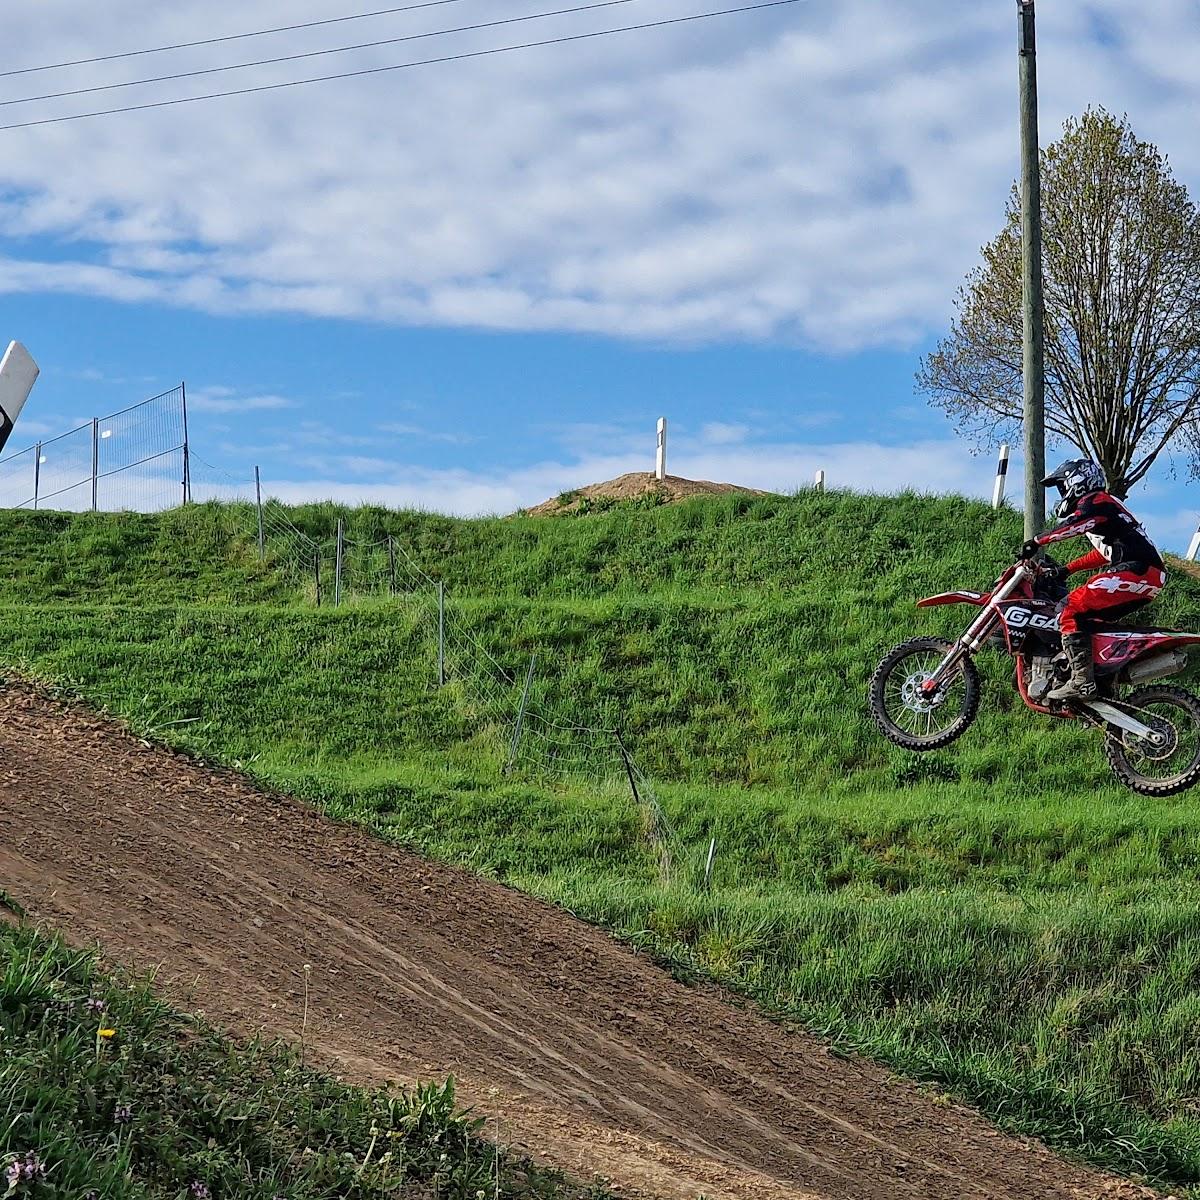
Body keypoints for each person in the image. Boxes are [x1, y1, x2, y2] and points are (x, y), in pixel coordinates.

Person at [1021, 458, 1166, 701]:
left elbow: (1073, 526)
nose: (1062, 493)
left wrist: (1037, 541)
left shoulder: (1096, 502)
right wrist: (1066, 570)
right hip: (1143, 573)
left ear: (1077, 482)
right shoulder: (1106, 507)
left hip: (1138, 571)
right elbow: (1103, 553)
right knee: (1089, 619)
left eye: (1062, 486)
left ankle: (1081, 681)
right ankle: (1102, 681)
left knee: (1069, 608)